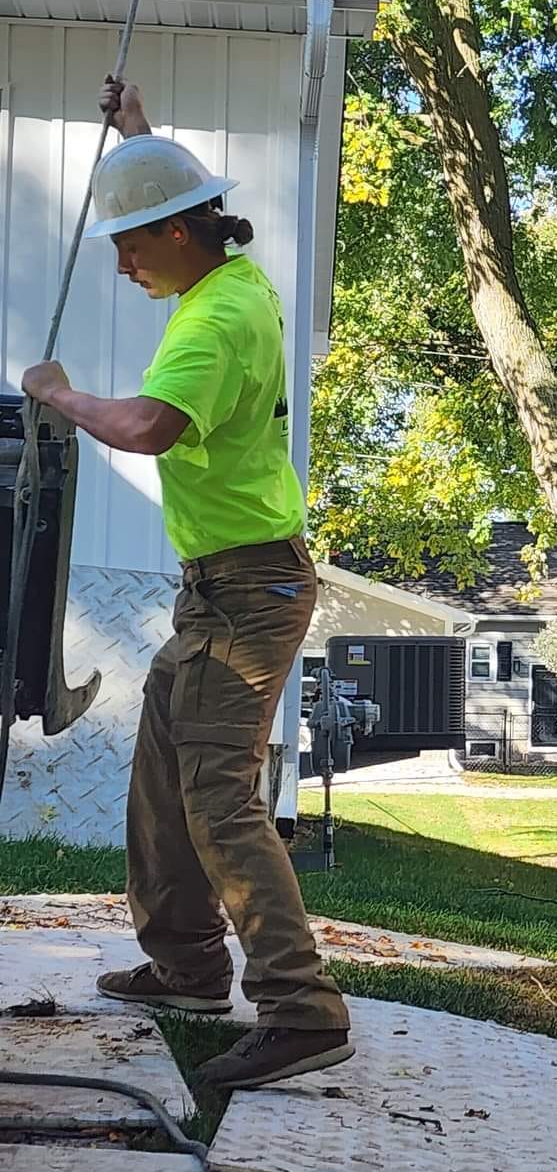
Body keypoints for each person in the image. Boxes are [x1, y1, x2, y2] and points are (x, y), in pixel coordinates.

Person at [20, 76, 351, 1091]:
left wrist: (59, 392)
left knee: (216, 795)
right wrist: (138, 136)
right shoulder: (228, 277)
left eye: (130, 240)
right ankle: (190, 967)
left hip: (248, 593)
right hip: (221, 587)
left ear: (178, 234)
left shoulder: (211, 325)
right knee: (163, 778)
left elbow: (150, 427)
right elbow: (171, 203)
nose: (119, 261)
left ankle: (300, 1008)